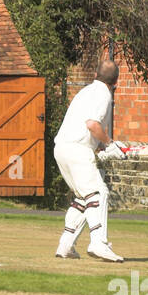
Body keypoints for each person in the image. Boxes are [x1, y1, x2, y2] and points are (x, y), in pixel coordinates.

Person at [52, 60, 125, 262]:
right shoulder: (103, 94)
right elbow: (92, 124)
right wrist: (109, 144)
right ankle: (99, 243)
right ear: (115, 81)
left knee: (84, 197)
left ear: (96, 73)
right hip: (78, 151)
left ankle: (66, 245)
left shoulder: (85, 91)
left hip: (62, 149)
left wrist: (100, 146)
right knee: (99, 193)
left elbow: (85, 126)